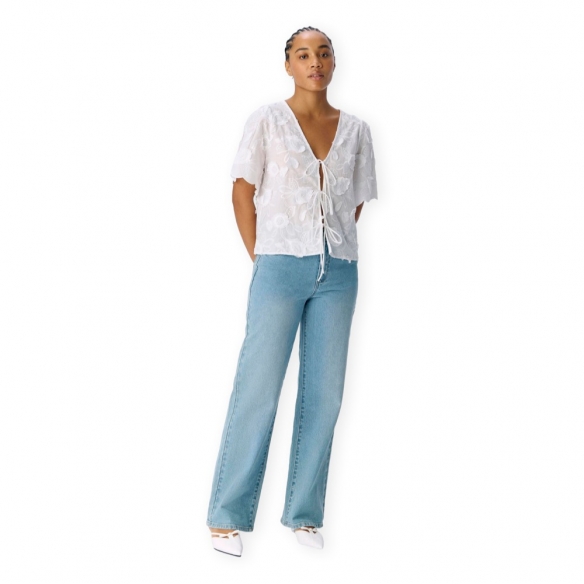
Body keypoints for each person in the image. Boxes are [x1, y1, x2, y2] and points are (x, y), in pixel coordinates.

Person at [206, 26, 378, 557]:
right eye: (303, 54)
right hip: (278, 267)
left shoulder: (356, 130)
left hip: (339, 272)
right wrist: (264, 257)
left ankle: (304, 514)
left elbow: (353, 202)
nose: (315, 62)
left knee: (325, 394)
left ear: (334, 62)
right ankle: (226, 517)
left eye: (323, 53)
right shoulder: (266, 120)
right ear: (288, 65)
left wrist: (326, 245)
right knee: (257, 390)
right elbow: (242, 192)